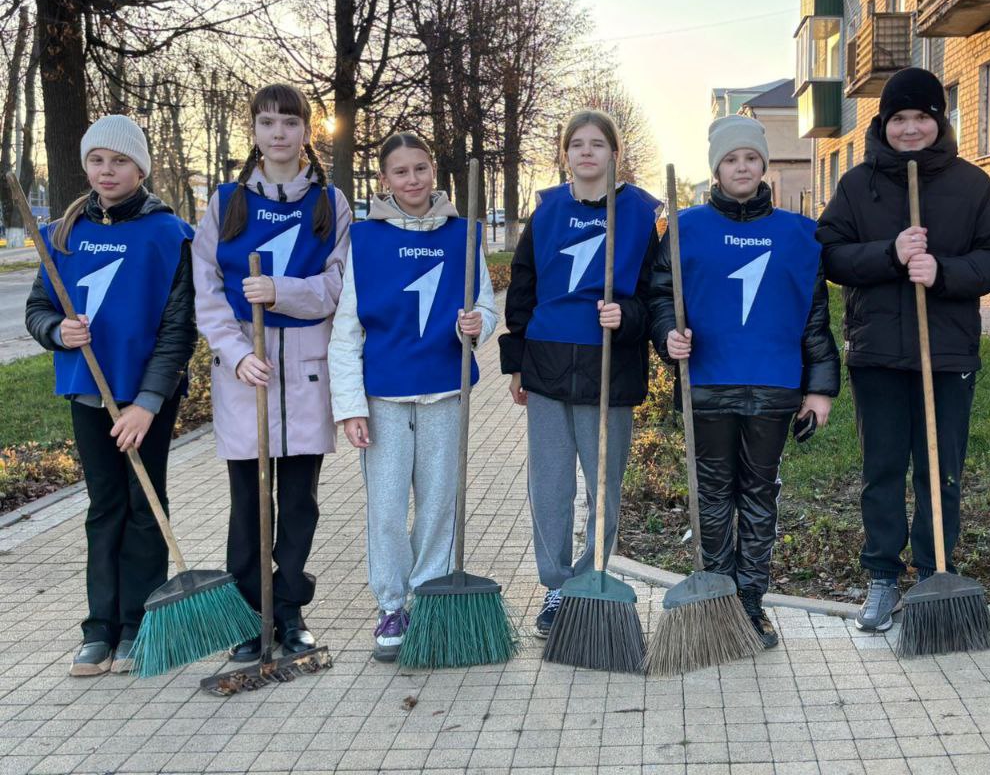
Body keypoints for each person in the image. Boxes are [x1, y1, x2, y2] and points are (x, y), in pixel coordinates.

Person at [816, 67, 990, 632]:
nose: (909, 128)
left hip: (947, 354)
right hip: (877, 353)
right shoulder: (858, 185)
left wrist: (944, 271)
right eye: (898, 118)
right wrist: (890, 254)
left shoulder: (971, 185)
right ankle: (882, 576)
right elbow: (830, 256)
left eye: (920, 117)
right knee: (881, 469)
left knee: (940, 471)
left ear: (938, 120)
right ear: (884, 123)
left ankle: (934, 573)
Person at [649, 115, 839, 648]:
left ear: (764, 166)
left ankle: (751, 606)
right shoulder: (685, 229)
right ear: (716, 167)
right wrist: (669, 335)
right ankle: (717, 600)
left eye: (751, 158)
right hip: (708, 383)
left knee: (760, 496)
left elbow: (814, 317)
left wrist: (819, 388)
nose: (741, 167)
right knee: (712, 495)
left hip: (774, 387)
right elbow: (661, 296)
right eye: (731, 159)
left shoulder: (799, 236)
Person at [24, 116, 196, 676]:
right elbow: (38, 309)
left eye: (119, 161)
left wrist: (148, 402)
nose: (107, 171)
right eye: (97, 160)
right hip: (90, 392)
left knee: (145, 505)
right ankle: (100, 629)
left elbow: (177, 331)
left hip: (148, 393)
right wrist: (57, 332)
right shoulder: (62, 233)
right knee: (105, 507)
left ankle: (139, 624)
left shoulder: (168, 233)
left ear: (140, 167)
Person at [192, 83, 352, 660]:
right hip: (246, 376)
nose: (278, 133)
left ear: (307, 130)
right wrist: (236, 354)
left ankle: (288, 612)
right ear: (254, 132)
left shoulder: (330, 202)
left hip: (306, 375)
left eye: (289, 122)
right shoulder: (224, 203)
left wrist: (280, 291)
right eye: (267, 123)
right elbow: (206, 289)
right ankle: (248, 615)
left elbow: (338, 286)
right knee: (249, 505)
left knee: (300, 504)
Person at [327, 133, 498, 661]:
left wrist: (477, 324)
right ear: (384, 181)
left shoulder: (464, 234)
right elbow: (347, 330)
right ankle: (392, 603)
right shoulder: (366, 239)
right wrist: (350, 406)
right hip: (384, 398)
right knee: (385, 507)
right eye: (400, 172)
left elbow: (486, 307)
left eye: (420, 169)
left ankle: (430, 594)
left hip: (446, 390)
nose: (413, 180)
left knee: (439, 503)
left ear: (434, 173)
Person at [500, 110, 660, 638]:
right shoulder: (545, 213)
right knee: (549, 485)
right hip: (546, 366)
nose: (587, 152)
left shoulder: (640, 214)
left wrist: (629, 317)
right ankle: (554, 585)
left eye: (598, 144)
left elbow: (657, 294)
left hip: (609, 370)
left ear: (615, 154)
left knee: (603, 485)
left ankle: (592, 576)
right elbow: (521, 286)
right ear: (565, 154)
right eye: (577, 144)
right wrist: (515, 361)